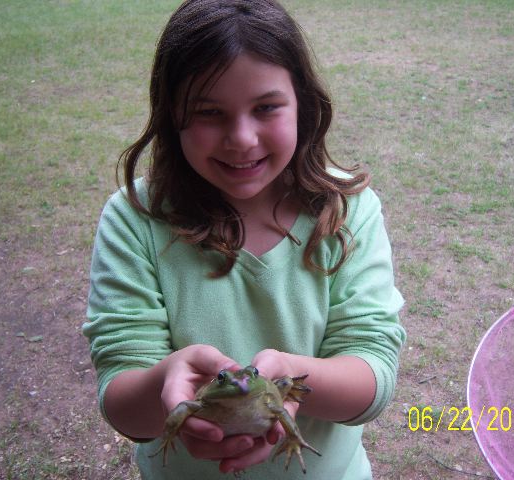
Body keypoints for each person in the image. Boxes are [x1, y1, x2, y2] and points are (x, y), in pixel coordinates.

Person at [83, 0, 406, 478]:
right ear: (172, 115)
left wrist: (288, 383)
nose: (242, 138)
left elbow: (373, 371)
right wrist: (163, 386)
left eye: (266, 107)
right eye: (209, 112)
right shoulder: (134, 219)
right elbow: (121, 397)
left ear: (303, 104)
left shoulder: (346, 209)